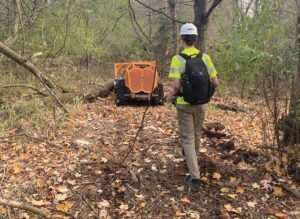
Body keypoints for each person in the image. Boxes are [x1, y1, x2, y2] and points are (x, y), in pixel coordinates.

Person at [169, 23, 219, 191]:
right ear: (195, 39)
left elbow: (176, 86)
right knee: (196, 135)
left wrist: (170, 95)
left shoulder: (177, 59)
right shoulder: (205, 58)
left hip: (184, 104)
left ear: (182, 38)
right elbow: (216, 82)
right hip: (201, 105)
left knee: (187, 139)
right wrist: (205, 96)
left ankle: (194, 176)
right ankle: (193, 164)